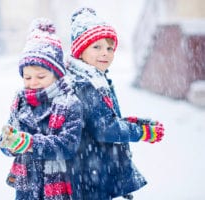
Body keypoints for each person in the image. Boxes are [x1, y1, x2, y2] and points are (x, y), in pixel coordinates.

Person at [65, 7, 165, 200]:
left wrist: (132, 122)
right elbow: (105, 129)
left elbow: (102, 119)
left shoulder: (96, 78)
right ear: (80, 51)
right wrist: (142, 132)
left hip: (94, 166)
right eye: (97, 47)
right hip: (89, 170)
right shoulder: (85, 84)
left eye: (110, 48)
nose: (105, 53)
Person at [0, 18, 83, 200]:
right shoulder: (20, 102)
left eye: (40, 76)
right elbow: (5, 140)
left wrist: (30, 144)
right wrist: (10, 143)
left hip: (59, 185)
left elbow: (68, 145)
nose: (33, 82)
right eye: (27, 78)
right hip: (27, 185)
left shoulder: (69, 103)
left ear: (57, 74)